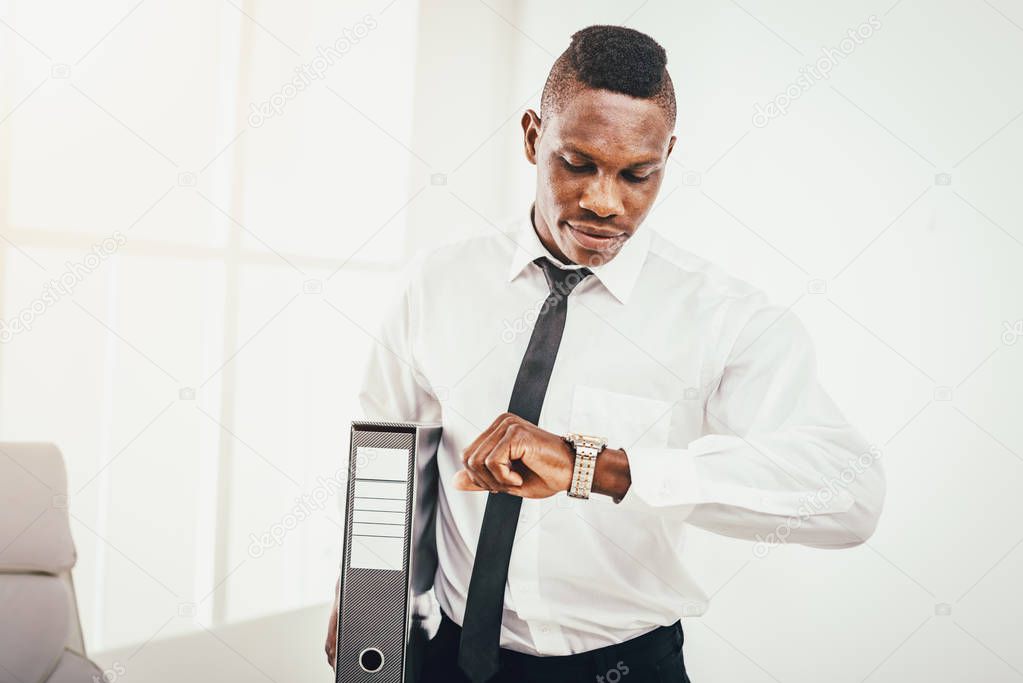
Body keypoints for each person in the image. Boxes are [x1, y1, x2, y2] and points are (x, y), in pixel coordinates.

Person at [326, 24, 885, 683]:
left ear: (666, 156)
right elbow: (395, 457)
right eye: (578, 164)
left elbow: (849, 497)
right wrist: (366, 599)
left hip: (622, 667)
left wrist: (601, 467)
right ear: (533, 136)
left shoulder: (724, 317)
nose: (603, 201)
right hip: (449, 657)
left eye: (636, 175)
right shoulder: (438, 283)